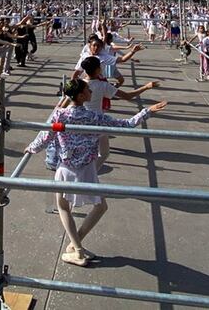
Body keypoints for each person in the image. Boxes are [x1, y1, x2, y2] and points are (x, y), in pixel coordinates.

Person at [25, 79, 168, 267]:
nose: (90, 91)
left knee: (63, 207)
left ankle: (77, 248)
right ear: (81, 95)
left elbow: (45, 138)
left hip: (66, 168)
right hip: (87, 168)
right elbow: (127, 124)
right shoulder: (94, 117)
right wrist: (146, 112)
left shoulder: (59, 115)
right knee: (99, 207)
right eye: (87, 90)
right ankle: (77, 246)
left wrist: (31, 148)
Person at [77, 55, 161, 169]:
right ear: (98, 69)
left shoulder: (79, 84)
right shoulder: (103, 85)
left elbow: (64, 103)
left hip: (79, 120)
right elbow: (127, 96)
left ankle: (85, 172)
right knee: (104, 153)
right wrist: (146, 87)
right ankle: (90, 173)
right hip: (99, 122)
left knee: (82, 151)